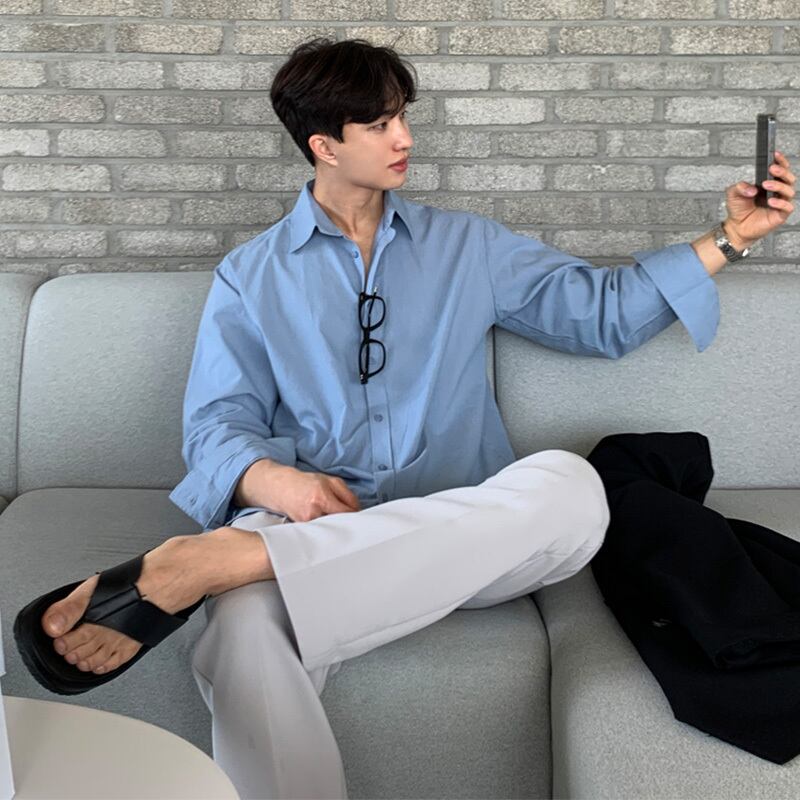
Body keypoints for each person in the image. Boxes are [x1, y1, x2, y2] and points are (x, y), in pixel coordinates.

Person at [36, 37, 795, 800]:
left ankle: (224, 558)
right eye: (378, 125)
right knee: (240, 629)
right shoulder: (251, 275)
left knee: (572, 489)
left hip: (471, 533)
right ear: (323, 145)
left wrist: (732, 237)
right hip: (313, 522)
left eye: (402, 117)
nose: (404, 138)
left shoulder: (468, 246)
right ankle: (248, 564)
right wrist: (280, 484)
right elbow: (217, 424)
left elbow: (600, 315)